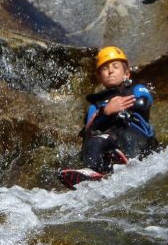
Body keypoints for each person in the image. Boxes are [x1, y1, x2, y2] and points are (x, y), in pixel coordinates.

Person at [59, 46, 157, 189]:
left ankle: (129, 164)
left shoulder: (136, 89)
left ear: (127, 73)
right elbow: (90, 126)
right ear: (99, 77)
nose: (110, 71)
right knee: (94, 142)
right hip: (112, 138)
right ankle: (93, 171)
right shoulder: (96, 105)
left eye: (115, 67)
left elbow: (143, 103)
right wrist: (106, 111)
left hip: (138, 136)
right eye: (105, 69)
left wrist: (121, 105)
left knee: (126, 136)